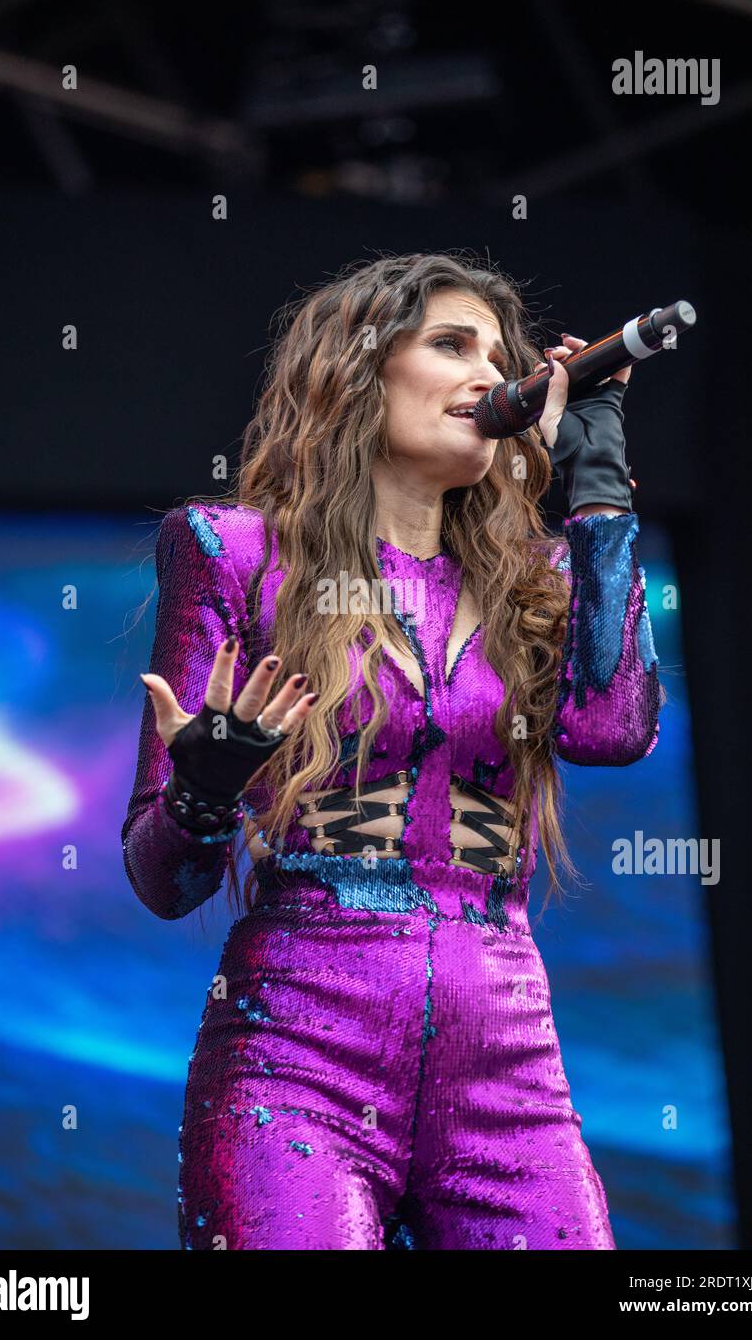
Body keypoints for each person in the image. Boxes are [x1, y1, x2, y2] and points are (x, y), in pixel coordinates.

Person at [121, 252, 662, 1250]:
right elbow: (165, 879)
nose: (487, 374)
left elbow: (610, 729)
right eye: (452, 345)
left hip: (507, 1075)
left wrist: (595, 476)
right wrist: (205, 785)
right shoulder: (231, 551)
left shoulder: (536, 578)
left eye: (499, 356)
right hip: (295, 1061)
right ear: (361, 370)